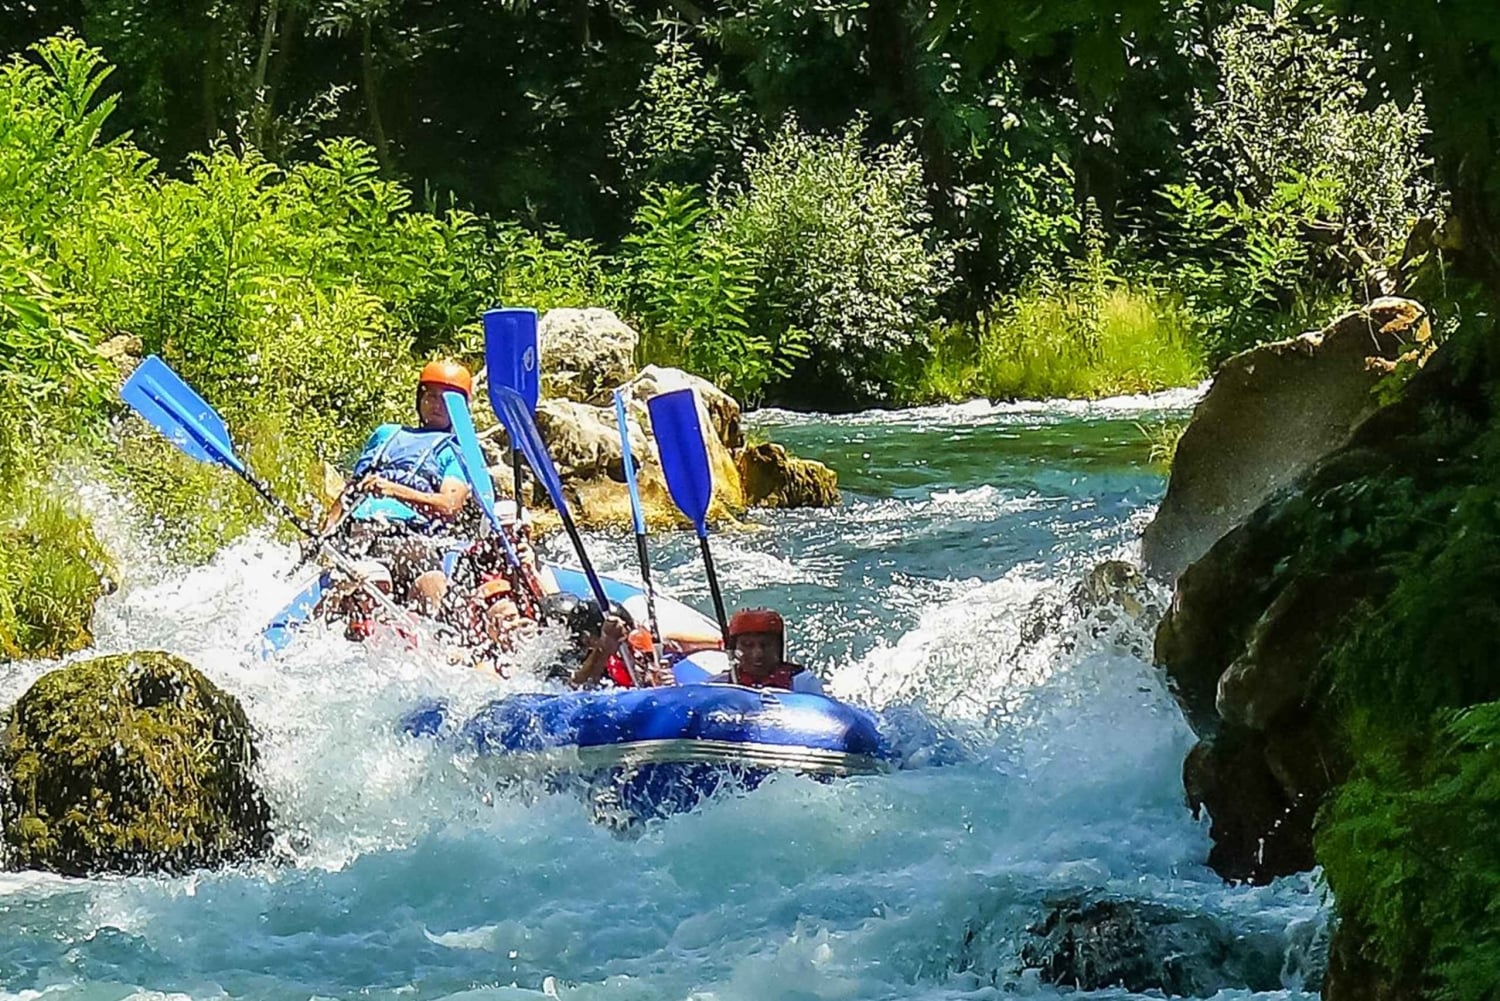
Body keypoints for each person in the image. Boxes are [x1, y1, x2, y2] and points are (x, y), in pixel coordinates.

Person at [322, 360, 475, 613]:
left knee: (431, 579)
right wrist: (326, 529)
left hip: (409, 537)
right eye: (431, 396)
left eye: (445, 399)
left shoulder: (453, 451)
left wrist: (394, 490)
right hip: (357, 532)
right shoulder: (386, 434)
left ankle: (437, 636)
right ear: (419, 398)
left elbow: (450, 505)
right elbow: (351, 489)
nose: (436, 404)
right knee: (358, 573)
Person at [709, 608, 825, 694]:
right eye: (748, 645)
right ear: (734, 649)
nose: (758, 654)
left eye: (766, 645)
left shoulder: (802, 682)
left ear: (778, 647)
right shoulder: (720, 684)